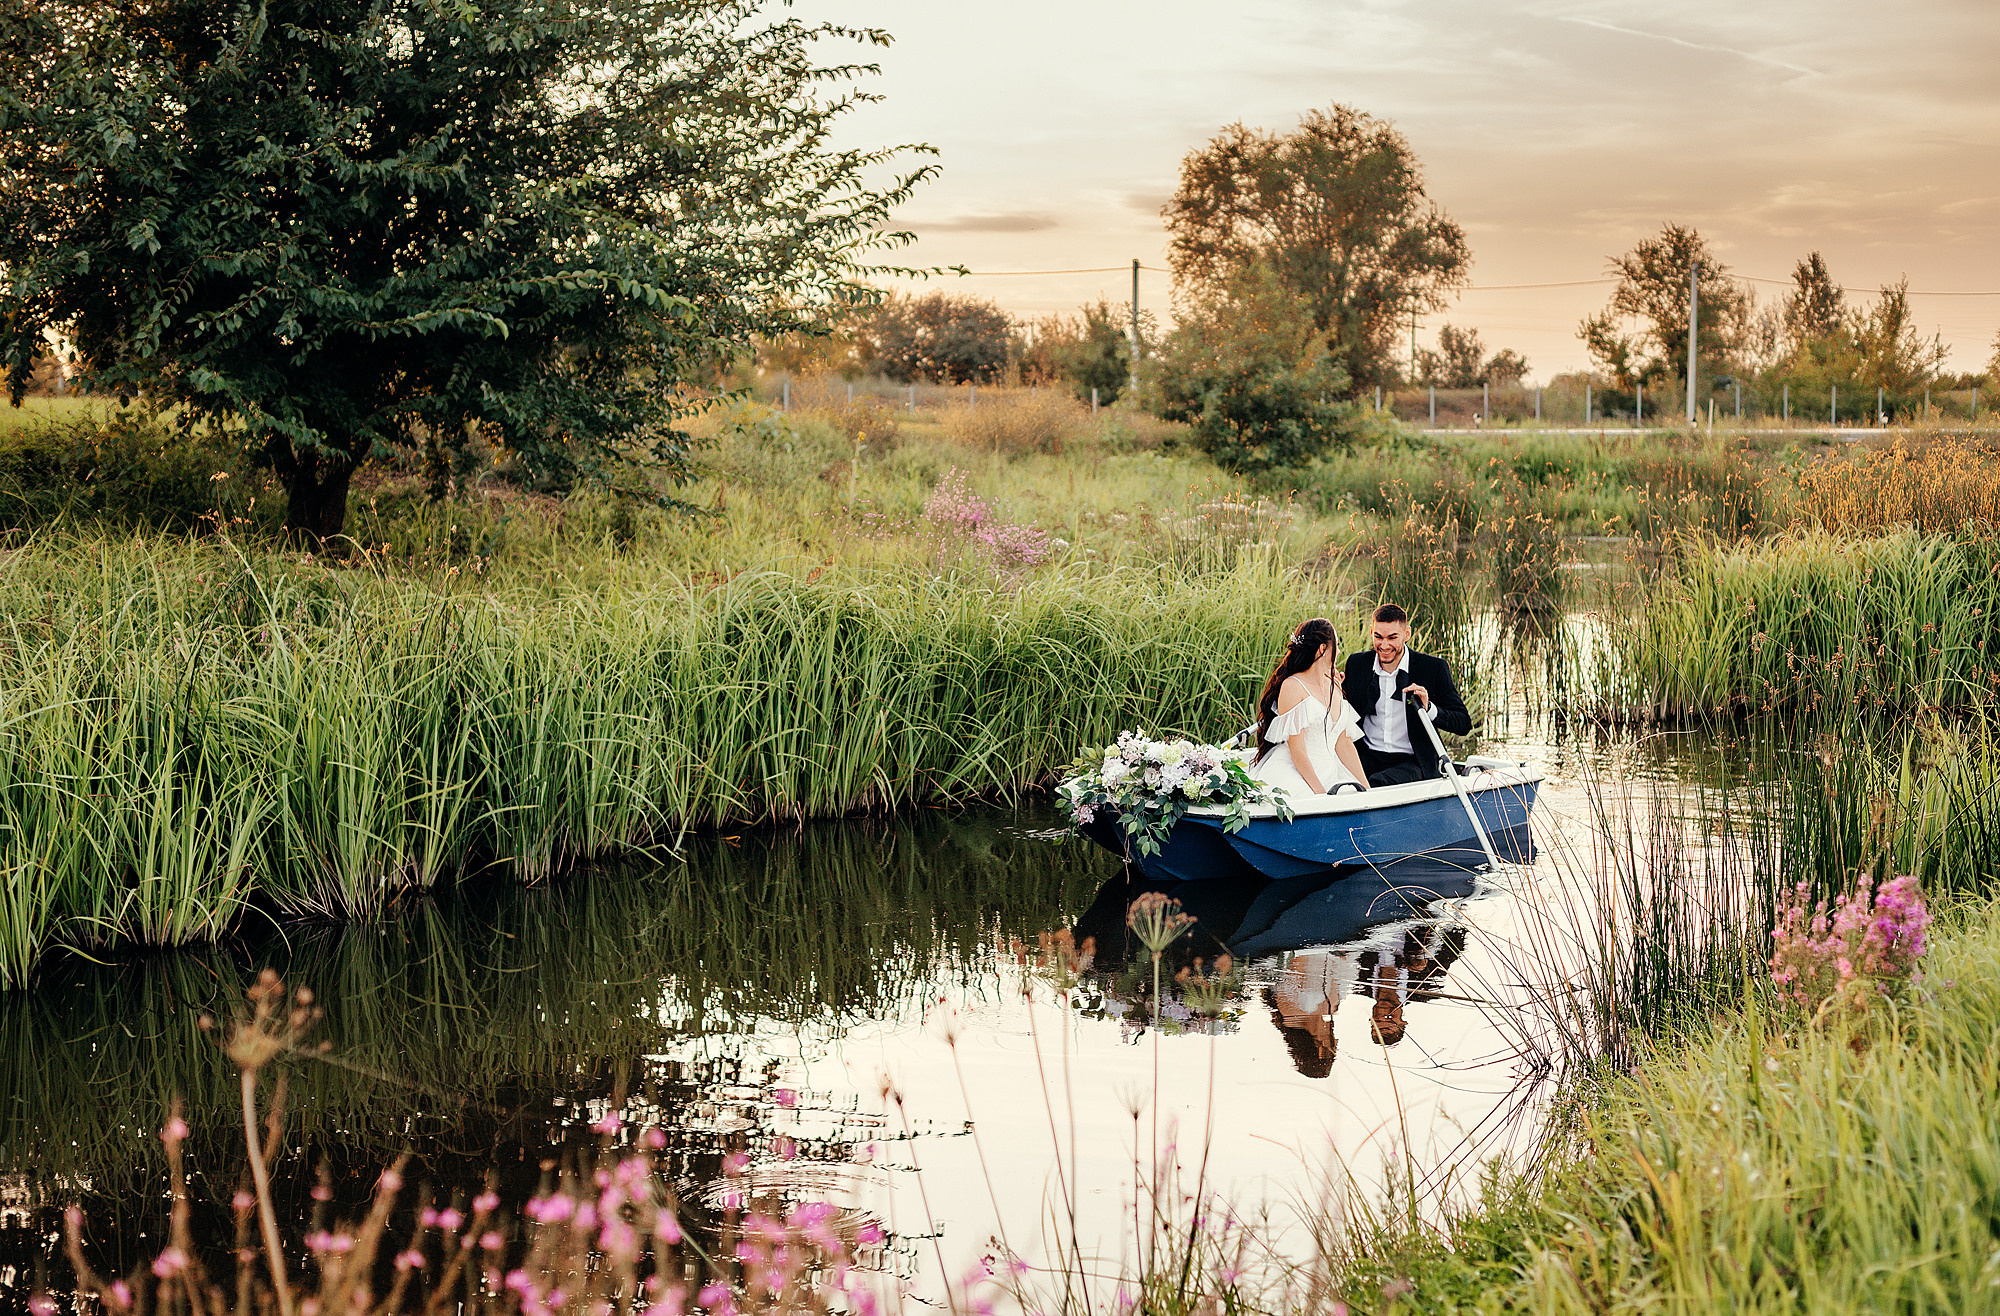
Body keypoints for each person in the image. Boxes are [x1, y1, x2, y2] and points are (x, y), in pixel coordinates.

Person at [1341, 604, 1471, 786]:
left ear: (1406, 634)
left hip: (1411, 761)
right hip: (1367, 755)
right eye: (1378, 637)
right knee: (1337, 780)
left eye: (1392, 637)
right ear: (1371, 631)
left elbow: (1463, 723)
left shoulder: (1432, 668)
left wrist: (1429, 708)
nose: (1384, 645)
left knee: (1378, 783)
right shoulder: (1357, 664)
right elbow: (1345, 709)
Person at [1247, 617, 1369, 801]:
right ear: (1322, 649)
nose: (1339, 651)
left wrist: (1368, 789)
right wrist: (1320, 794)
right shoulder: (1293, 686)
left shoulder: (1333, 685)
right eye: (1336, 644)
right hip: (1298, 772)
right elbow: (1297, 750)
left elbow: (1343, 743)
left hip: (1331, 771)